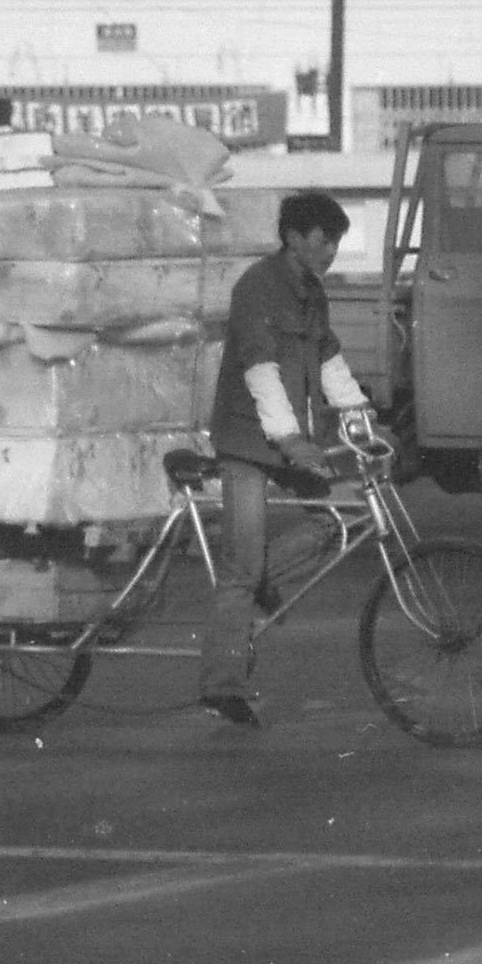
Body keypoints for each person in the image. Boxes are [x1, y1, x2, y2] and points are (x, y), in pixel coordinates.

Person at [202, 191, 371, 729]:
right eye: (325, 241)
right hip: (248, 441)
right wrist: (292, 440)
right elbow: (260, 370)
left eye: (337, 244)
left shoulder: (311, 293)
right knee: (241, 566)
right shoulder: (257, 287)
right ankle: (223, 685)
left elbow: (326, 357)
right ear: (295, 236)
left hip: (290, 437)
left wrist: (359, 413)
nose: (331, 253)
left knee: (339, 522)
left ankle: (264, 581)